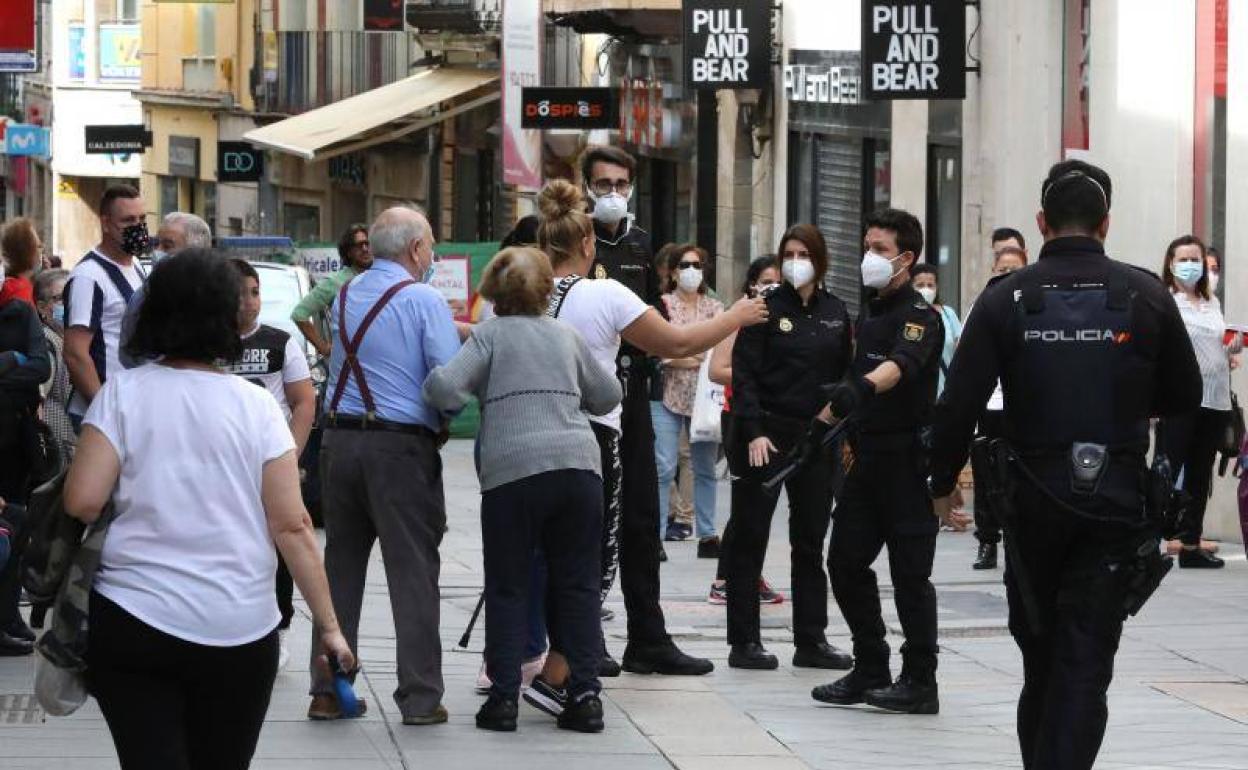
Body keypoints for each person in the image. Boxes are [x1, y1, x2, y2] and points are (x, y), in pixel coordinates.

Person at [928, 160, 1202, 769]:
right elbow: (1185, 395)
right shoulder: (1145, 294)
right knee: (1086, 658)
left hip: (1031, 501)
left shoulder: (1007, 297)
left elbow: (959, 403)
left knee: (1042, 654)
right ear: (1106, 223)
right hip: (1116, 500)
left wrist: (941, 484)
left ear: (1040, 222)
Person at [62, 249, 354, 769]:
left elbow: (82, 500)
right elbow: (291, 524)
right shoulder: (257, 406)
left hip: (134, 618)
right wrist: (329, 628)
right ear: (228, 317)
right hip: (238, 625)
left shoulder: (121, 396)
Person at [523, 179, 767, 716]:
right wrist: (737, 317)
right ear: (589, 245)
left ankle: (519, 671)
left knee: (542, 556)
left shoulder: (526, 293)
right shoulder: (605, 294)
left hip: (529, 438)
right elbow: (677, 343)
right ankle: (562, 677)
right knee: (593, 560)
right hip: (589, 439)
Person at [425, 246, 622, 733]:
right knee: (577, 585)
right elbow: (608, 394)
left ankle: (504, 699)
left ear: (496, 288)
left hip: (513, 475)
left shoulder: (489, 336)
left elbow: (447, 390)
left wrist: (431, 370)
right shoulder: (567, 335)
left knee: (510, 585)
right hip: (578, 470)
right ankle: (585, 697)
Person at [309, 205, 460, 726]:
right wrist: (450, 414)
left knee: (340, 570)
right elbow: (446, 383)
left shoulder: (346, 292)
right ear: (417, 249)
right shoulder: (423, 299)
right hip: (399, 450)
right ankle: (420, 698)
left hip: (339, 443)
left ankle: (328, 690)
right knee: (413, 572)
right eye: (431, 244)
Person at [580, 145, 717, 676]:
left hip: (633, 389)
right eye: (601, 183)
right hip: (584, 395)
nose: (611, 193)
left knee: (640, 515)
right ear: (586, 186)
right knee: (590, 515)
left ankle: (648, 636)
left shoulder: (641, 245)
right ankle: (584, 634)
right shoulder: (572, 244)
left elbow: (650, 329)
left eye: (619, 183)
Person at [812, 208, 944, 714]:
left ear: (906, 258)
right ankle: (870, 664)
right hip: (865, 460)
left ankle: (920, 679)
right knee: (844, 563)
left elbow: (899, 368)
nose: (869, 257)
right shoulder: (871, 313)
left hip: (908, 462)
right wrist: (817, 428)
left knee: (911, 575)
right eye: (866, 246)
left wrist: (860, 389)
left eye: (880, 249)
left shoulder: (920, 315)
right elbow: (852, 380)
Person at [724, 225, 854, 672]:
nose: (796, 260)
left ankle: (811, 639)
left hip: (816, 437)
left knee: (810, 539)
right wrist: (754, 430)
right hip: (765, 434)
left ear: (820, 259)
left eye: (804, 253)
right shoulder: (764, 309)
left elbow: (845, 375)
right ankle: (744, 641)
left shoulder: (836, 311)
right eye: (789, 253)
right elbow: (744, 374)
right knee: (749, 536)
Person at [222, 259, 317, 665]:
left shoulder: (281, 342)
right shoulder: (210, 344)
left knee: (280, 545)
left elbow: (303, 401)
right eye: (241, 293)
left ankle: (278, 626)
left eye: (256, 291)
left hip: (270, 462)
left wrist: (291, 454)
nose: (249, 302)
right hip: (226, 465)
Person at [706, 256, 786, 607]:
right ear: (752, 285)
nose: (773, 287)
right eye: (766, 281)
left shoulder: (784, 317)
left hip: (773, 420)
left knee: (763, 507)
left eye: (779, 281)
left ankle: (750, 573)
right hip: (739, 417)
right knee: (749, 505)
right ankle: (727, 578)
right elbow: (718, 369)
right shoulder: (742, 315)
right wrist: (758, 377)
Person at [1158, 235, 1240, 568]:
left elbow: (1217, 343)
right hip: (1182, 398)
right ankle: (1148, 539)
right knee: (1167, 468)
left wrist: (1231, 348)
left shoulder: (1212, 303)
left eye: (1197, 259)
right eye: (1185, 259)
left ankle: (1191, 545)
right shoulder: (1166, 302)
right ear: (1171, 263)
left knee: (1200, 473)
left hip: (1216, 399)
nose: (1192, 265)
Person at [653, 245, 724, 555]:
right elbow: (662, 353)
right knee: (663, 466)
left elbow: (717, 352)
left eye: (697, 264)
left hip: (705, 401)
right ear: (672, 271)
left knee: (704, 468)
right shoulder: (662, 306)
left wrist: (682, 351)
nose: (691, 270)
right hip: (668, 397)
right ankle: (653, 538)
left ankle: (707, 535)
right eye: (684, 264)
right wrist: (693, 354)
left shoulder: (716, 308)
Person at [0, 232, 51, 656]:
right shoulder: (20, 299)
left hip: (12, 432)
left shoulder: (16, 300)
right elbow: (36, 365)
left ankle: (8, 616)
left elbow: (36, 366)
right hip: (13, 429)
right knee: (13, 521)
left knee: (14, 521)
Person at [63, 185, 149, 429]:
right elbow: (75, 353)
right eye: (128, 220)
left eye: (142, 218)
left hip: (132, 408)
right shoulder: (89, 277)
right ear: (106, 223)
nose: (138, 226)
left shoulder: (136, 267)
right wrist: (103, 411)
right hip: (105, 413)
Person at [970, 245, 1030, 571]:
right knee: (988, 474)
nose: (1008, 275)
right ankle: (987, 541)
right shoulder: (985, 307)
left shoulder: (1036, 306)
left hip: (1023, 406)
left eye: (1015, 269)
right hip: (990, 404)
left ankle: (1018, 542)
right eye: (1002, 269)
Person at [119, 211, 211, 369]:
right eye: (157, 244)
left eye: (167, 246)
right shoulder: (145, 295)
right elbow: (130, 355)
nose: (157, 251)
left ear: (194, 253)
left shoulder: (218, 294)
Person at [292, 224, 372, 358]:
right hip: (348, 364)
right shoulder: (336, 282)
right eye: (358, 245)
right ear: (348, 252)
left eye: (367, 243)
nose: (365, 249)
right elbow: (299, 314)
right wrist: (323, 348)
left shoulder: (381, 276)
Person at [34, 268, 76, 461]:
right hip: (54, 445)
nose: (69, 304)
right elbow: (37, 398)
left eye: (73, 296)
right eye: (60, 298)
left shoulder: (70, 338)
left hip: (69, 442)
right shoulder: (45, 341)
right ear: (42, 307)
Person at [909, 264, 961, 397]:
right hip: (915, 393)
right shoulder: (906, 314)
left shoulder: (948, 314)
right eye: (920, 285)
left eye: (930, 285)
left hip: (945, 391)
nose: (926, 289)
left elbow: (960, 351)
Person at [1, 217, 40, 307]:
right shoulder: (19, 290)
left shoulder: (10, 285)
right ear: (26, 251)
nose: (40, 251)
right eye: (37, 246)